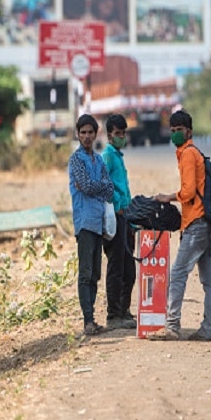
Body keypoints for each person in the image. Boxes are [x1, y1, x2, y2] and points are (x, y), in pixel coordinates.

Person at [147, 110, 211, 341]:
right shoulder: (194, 152)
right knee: (209, 280)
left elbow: (188, 192)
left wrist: (168, 197)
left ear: (189, 131)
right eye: (173, 130)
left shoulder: (188, 154)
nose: (176, 134)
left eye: (180, 130)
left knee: (177, 273)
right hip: (206, 222)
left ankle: (172, 325)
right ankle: (207, 329)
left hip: (196, 223)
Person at [68, 114, 115, 336]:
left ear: (96, 134)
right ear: (78, 134)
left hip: (99, 222)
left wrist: (95, 185)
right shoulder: (76, 160)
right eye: (83, 132)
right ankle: (87, 320)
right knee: (85, 273)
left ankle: (92, 319)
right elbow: (86, 187)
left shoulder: (98, 160)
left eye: (90, 132)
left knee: (95, 273)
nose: (87, 136)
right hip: (85, 222)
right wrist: (99, 185)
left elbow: (109, 189)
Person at [102, 114, 137, 330]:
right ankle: (113, 315)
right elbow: (105, 185)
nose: (121, 137)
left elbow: (125, 188)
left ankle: (125, 311)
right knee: (116, 267)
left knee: (128, 269)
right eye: (118, 134)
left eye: (123, 133)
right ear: (109, 135)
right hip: (114, 216)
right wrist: (118, 205)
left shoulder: (118, 156)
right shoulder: (107, 156)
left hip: (125, 216)